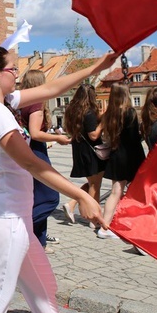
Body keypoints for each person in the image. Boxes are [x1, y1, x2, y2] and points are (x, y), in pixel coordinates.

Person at [0, 46, 115, 313]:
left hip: (14, 216)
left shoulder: (3, 101)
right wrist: (81, 194)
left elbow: (52, 87)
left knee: (44, 290)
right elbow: (32, 163)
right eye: (13, 69)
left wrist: (95, 68)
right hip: (4, 217)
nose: (17, 73)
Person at [19, 70, 72, 252]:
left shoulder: (22, 101)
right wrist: (57, 138)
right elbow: (35, 133)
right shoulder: (36, 103)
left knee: (36, 198)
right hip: (35, 151)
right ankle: (18, 230)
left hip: (26, 149)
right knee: (50, 197)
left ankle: (39, 242)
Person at [98, 83, 146, 239]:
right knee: (139, 190)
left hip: (116, 155)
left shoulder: (109, 114)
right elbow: (134, 139)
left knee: (115, 192)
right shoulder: (130, 112)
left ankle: (104, 226)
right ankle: (135, 224)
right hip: (131, 156)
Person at [61, 83, 106, 224]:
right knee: (95, 186)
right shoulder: (89, 112)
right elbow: (93, 135)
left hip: (79, 149)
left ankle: (72, 204)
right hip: (92, 152)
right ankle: (93, 219)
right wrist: (103, 122)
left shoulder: (73, 111)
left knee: (91, 182)